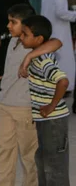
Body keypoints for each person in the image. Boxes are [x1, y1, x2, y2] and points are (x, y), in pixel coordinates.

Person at [0, 3, 61, 186]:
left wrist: (30, 56)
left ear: (26, 26)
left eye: (13, 22)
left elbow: (57, 43)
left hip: (24, 109)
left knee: (29, 157)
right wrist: (7, 77)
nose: (8, 26)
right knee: (4, 153)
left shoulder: (33, 45)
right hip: (4, 105)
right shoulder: (14, 41)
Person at [20, 15, 70, 185]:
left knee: (54, 167)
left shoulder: (43, 60)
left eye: (25, 34)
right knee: (43, 162)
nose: (21, 37)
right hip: (45, 120)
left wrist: (51, 107)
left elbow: (63, 81)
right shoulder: (36, 56)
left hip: (53, 121)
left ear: (39, 39)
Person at [40, 0, 76, 94]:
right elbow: (61, 13)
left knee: (52, 60)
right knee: (64, 59)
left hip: (50, 31)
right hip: (60, 32)